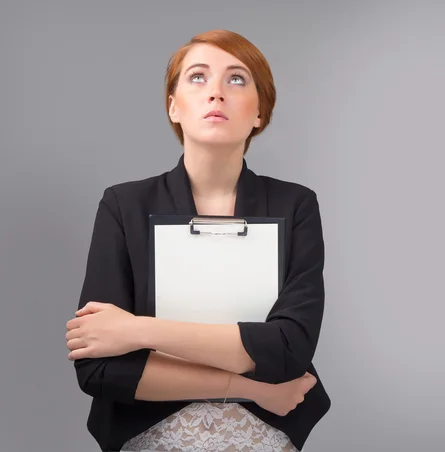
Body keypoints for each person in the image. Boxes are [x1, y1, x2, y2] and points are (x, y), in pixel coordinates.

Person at [65, 29, 331, 451]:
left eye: (237, 79)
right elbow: (100, 370)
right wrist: (255, 388)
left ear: (259, 111)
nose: (217, 93)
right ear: (174, 107)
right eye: (198, 77)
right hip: (150, 436)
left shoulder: (295, 204)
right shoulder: (124, 204)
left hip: (262, 437)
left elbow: (288, 350)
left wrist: (137, 331)